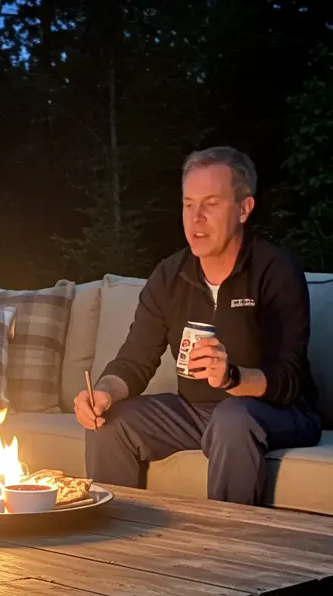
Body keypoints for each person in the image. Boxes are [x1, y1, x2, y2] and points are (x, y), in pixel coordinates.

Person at [75, 146, 320, 504]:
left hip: (277, 411)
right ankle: (113, 540)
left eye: (211, 203)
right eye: (189, 204)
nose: (196, 218)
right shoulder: (170, 275)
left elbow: (289, 377)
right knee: (110, 421)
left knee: (233, 419)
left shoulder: (275, 270)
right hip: (195, 411)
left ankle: (224, 550)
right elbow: (134, 360)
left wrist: (233, 377)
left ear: (243, 209)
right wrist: (103, 392)